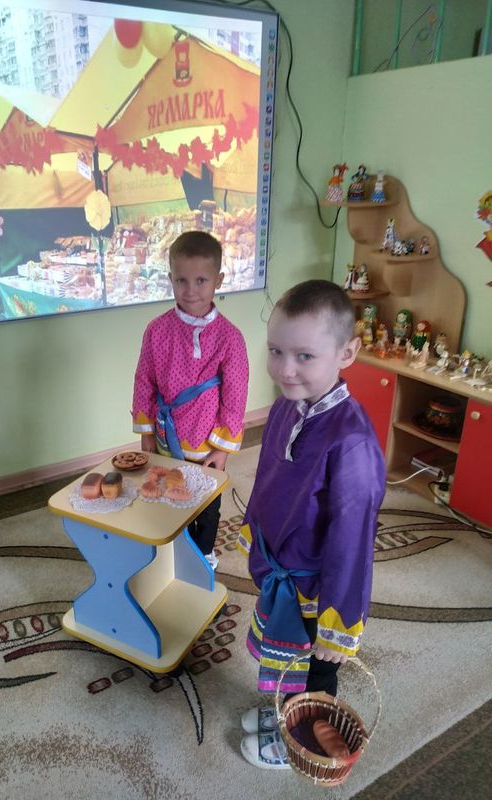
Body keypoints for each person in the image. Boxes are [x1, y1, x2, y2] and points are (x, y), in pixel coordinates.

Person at [237, 279, 386, 769]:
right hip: (282, 568)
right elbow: (267, 476)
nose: (285, 369)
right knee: (284, 657)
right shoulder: (286, 404)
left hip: (319, 589)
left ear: (347, 353)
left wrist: (338, 621)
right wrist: (254, 533)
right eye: (276, 351)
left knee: (314, 669)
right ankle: (285, 711)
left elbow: (353, 541)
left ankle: (303, 741)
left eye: (304, 356)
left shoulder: (353, 443)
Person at [132, 230, 249, 568]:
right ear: (170, 279)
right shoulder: (156, 330)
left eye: (201, 280)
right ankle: (172, 555)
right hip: (166, 435)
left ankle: (204, 557)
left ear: (218, 281)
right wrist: (147, 433)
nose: (190, 290)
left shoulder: (230, 337)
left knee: (207, 503)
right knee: (169, 495)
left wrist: (222, 449)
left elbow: (236, 394)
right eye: (181, 280)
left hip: (207, 440)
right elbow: (144, 380)